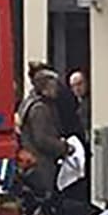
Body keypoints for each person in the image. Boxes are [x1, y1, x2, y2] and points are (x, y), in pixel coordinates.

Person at [17, 68, 69, 199]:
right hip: (41, 165)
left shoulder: (28, 103)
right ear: (45, 87)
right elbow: (42, 139)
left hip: (31, 164)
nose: (57, 90)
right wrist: (64, 147)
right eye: (54, 86)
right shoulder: (40, 109)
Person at [69, 69, 91, 143]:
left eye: (79, 84)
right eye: (73, 86)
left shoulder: (91, 103)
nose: (77, 88)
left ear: (86, 83)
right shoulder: (72, 105)